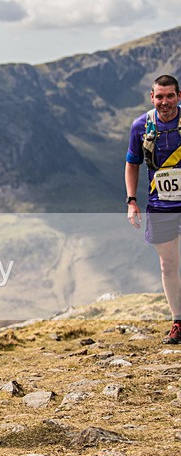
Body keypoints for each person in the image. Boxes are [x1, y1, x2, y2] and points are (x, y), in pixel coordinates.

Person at [126, 74, 181, 343]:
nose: (165, 101)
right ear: (152, 97)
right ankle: (177, 322)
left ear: (179, 96)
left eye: (170, 95)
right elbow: (132, 163)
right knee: (167, 266)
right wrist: (131, 201)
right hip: (160, 205)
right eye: (160, 96)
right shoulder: (141, 126)